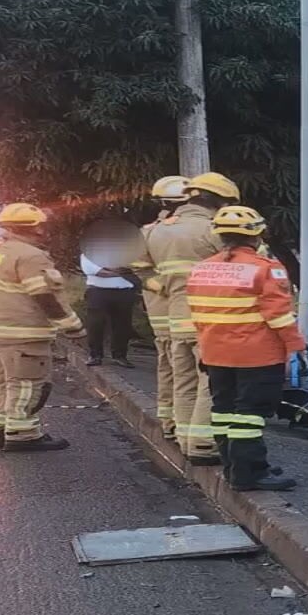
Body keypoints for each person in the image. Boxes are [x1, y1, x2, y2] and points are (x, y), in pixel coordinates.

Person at [188, 205, 308, 492]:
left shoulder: (202, 269)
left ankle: (235, 467)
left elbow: (199, 314)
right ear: (257, 235)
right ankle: (249, 473)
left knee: (224, 410)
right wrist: (297, 346)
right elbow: (279, 316)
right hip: (257, 356)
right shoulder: (266, 269)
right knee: (249, 415)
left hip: (215, 353)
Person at [0, 203, 84, 452]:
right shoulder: (31, 256)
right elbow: (45, 296)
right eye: (42, 225)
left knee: (5, 384)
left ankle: (1, 430)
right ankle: (23, 434)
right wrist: (73, 327)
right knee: (28, 384)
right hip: (23, 332)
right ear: (36, 228)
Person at [147, 171, 238, 464]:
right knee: (212, 383)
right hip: (208, 320)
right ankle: (202, 444)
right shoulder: (214, 231)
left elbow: (137, 267)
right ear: (221, 201)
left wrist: (159, 286)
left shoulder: (155, 231)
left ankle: (185, 437)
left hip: (175, 320)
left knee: (183, 381)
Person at [131, 176, 190, 438]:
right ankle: (183, 423)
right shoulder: (203, 230)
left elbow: (139, 270)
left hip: (161, 313)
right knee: (188, 371)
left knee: (168, 365)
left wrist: (162, 286)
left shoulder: (148, 232)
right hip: (188, 313)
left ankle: (169, 422)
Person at [79, 246, 137, 368]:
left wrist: (111, 269)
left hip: (124, 291)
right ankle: (95, 355)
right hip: (98, 291)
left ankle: (120, 356)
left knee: (123, 325)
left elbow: (134, 268)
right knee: (96, 324)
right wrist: (121, 272)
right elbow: (98, 272)